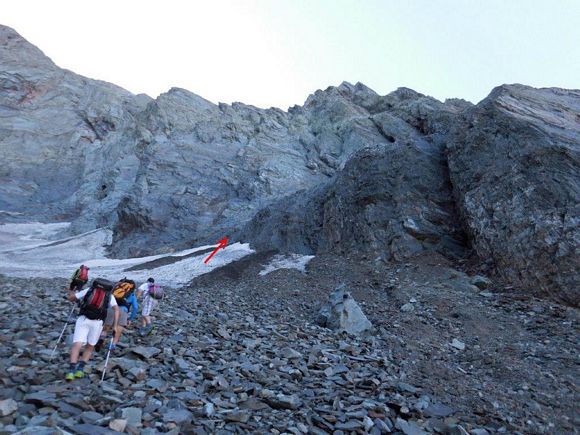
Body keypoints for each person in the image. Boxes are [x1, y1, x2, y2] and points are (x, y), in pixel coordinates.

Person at [65, 278, 119, 380]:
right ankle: (80, 369)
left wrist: (72, 296)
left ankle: (71, 370)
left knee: (77, 344)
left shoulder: (89, 290)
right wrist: (115, 325)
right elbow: (116, 309)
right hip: (98, 322)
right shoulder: (109, 296)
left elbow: (72, 298)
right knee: (90, 346)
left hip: (83, 319)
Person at [95, 279, 138, 352]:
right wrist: (130, 319)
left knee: (106, 328)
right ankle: (112, 346)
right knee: (117, 331)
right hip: (123, 312)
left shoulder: (116, 290)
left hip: (112, 309)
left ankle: (101, 339)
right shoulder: (132, 295)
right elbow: (135, 307)